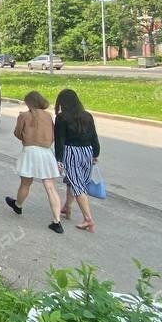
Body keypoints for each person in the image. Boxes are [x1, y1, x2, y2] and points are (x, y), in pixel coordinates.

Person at [5, 91, 64, 233]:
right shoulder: (48, 116)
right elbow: (53, 136)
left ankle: (18, 205)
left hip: (30, 151)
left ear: (29, 102)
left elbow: (17, 133)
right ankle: (57, 221)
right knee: (50, 187)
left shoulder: (24, 116)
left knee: (25, 183)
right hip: (46, 152)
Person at [54, 88, 101, 233]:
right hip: (87, 151)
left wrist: (59, 159)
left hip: (71, 152)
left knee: (77, 185)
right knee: (73, 181)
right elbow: (94, 136)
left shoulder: (62, 118)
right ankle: (67, 207)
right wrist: (95, 153)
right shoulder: (87, 116)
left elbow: (60, 140)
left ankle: (88, 219)